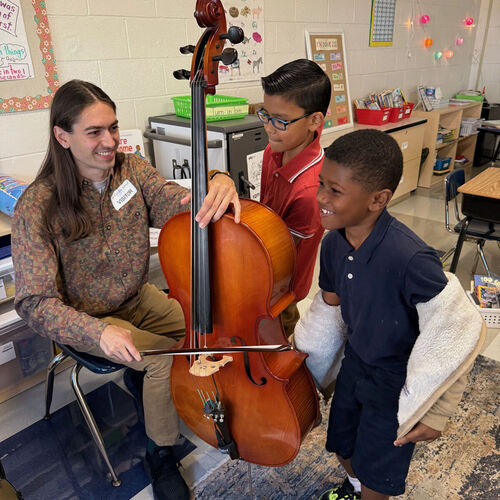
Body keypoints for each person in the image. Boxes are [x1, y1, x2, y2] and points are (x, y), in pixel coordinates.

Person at [11, 79, 240, 500]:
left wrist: (217, 180)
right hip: (88, 318)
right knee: (163, 361)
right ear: (62, 136)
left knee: (206, 326)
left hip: (136, 298)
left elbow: (172, 199)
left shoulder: (130, 168)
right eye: (94, 132)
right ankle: (161, 455)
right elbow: (33, 302)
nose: (109, 141)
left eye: (113, 128)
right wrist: (97, 333)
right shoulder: (37, 206)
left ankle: (184, 401)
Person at [294, 129, 485, 499]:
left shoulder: (410, 259)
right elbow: (328, 306)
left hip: (395, 382)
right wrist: (310, 360)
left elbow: (457, 330)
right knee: (342, 446)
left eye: (334, 190)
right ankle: (353, 486)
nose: (319, 198)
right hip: (356, 366)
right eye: (321, 184)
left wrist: (436, 411)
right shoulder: (333, 242)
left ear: (378, 199)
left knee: (377, 476)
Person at [257, 58, 331, 337]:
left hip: (280, 290)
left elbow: (285, 262)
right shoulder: (274, 149)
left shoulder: (309, 193)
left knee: (276, 337)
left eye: (281, 121)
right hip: (263, 270)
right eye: (265, 114)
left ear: (315, 121)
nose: (269, 128)